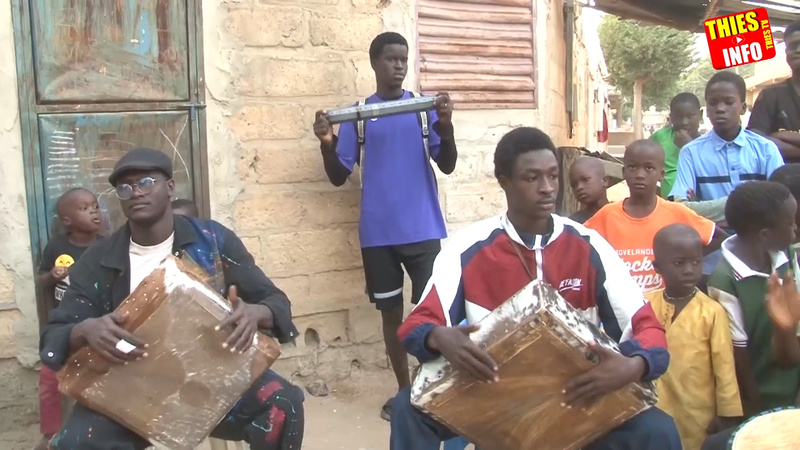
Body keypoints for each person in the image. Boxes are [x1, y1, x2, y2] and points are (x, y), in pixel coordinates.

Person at [390, 127, 680, 450]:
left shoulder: (588, 245)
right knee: (408, 408)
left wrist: (634, 365)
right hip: (497, 396)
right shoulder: (468, 248)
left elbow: (646, 325)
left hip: (578, 393)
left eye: (553, 176)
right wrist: (436, 336)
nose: (547, 189)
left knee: (658, 430)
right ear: (504, 182)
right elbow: (417, 323)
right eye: (532, 178)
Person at [40, 148, 305, 450]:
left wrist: (255, 313)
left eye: (146, 182)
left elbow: (275, 301)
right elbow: (55, 334)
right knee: (75, 443)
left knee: (284, 402)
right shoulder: (98, 259)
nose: (136, 192)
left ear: (169, 187)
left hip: (208, 382)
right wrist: (85, 330)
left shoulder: (213, 240)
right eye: (125, 187)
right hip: (128, 388)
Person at [313, 31, 458, 420]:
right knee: (390, 314)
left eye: (403, 60)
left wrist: (445, 125)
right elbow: (338, 176)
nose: (398, 66)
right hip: (378, 235)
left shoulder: (421, 109)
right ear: (375, 63)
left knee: (433, 311)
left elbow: (447, 163)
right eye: (391, 59)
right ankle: (405, 392)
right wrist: (327, 142)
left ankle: (435, 387)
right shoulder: (359, 116)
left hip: (424, 229)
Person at [702, 181, 800, 449]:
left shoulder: (788, 257)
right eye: (791, 222)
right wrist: (751, 409)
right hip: (759, 394)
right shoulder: (724, 281)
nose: (795, 228)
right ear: (766, 234)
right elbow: (738, 354)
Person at [585, 139, 726, 293]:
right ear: (624, 172)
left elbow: (719, 237)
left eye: (649, 168)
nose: (640, 174)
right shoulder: (607, 216)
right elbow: (577, 246)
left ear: (661, 174)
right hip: (622, 309)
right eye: (633, 167)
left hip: (665, 308)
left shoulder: (676, 212)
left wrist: (686, 259)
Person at [647, 224, 741, 450]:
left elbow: (724, 366)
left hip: (699, 410)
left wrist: (727, 413)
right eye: (679, 263)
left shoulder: (712, 311)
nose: (689, 270)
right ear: (657, 267)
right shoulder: (645, 304)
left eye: (696, 262)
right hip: (654, 405)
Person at [34, 188, 102, 450]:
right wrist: (52, 275)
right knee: (50, 382)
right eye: (84, 208)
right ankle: (50, 433)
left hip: (95, 328)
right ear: (67, 220)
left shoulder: (106, 245)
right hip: (63, 328)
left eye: (95, 206)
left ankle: (93, 433)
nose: (94, 211)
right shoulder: (57, 246)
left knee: (94, 383)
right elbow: (41, 281)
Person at [670, 71, 784, 222]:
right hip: (714, 240)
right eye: (713, 103)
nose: (720, 108)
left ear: (743, 107)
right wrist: (755, 202)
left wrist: (702, 207)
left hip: (762, 239)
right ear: (707, 110)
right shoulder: (691, 152)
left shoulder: (765, 149)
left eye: (728, 102)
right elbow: (680, 208)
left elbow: (781, 202)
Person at [747, 21, 800, 163]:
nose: (798, 50)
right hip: (783, 180)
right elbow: (755, 141)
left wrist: (782, 136)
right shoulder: (771, 95)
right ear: (786, 53)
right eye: (792, 46)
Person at [650, 93, 702, 198]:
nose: (684, 122)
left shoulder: (705, 143)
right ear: (671, 118)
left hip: (693, 202)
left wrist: (688, 146)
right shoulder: (662, 136)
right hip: (668, 203)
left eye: (690, 116)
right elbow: (643, 152)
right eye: (679, 117)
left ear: (700, 115)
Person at [568, 156, 609, 224]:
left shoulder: (620, 216)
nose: (579, 187)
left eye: (585, 180)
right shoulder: (573, 224)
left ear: (604, 181)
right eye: (574, 185)